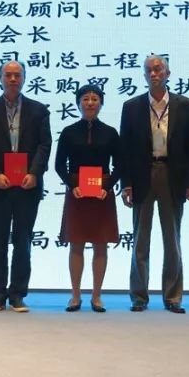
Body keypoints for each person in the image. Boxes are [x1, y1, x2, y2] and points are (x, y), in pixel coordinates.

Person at [117, 54, 189, 313]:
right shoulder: (132, 106)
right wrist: (126, 184)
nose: (154, 74)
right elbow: (125, 149)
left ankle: (172, 297)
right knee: (140, 239)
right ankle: (139, 296)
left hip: (173, 175)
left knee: (172, 239)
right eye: (149, 70)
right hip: (142, 174)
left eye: (158, 69)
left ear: (168, 73)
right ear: (144, 75)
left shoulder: (186, 105)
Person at [0, 60, 52, 313]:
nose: (12, 79)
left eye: (17, 75)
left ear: (24, 78)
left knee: (23, 241)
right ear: (0, 78)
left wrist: (34, 173)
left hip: (28, 186)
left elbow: (44, 145)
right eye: (8, 75)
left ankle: (18, 293)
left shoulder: (39, 110)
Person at [54, 84, 120, 312]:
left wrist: (108, 187)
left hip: (102, 191)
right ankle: (75, 296)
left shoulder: (111, 132)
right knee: (76, 243)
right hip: (77, 191)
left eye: (94, 99)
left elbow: (120, 164)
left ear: (101, 103)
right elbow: (59, 165)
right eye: (85, 99)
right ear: (78, 103)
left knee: (101, 243)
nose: (90, 103)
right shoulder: (68, 131)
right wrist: (72, 186)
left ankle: (97, 296)